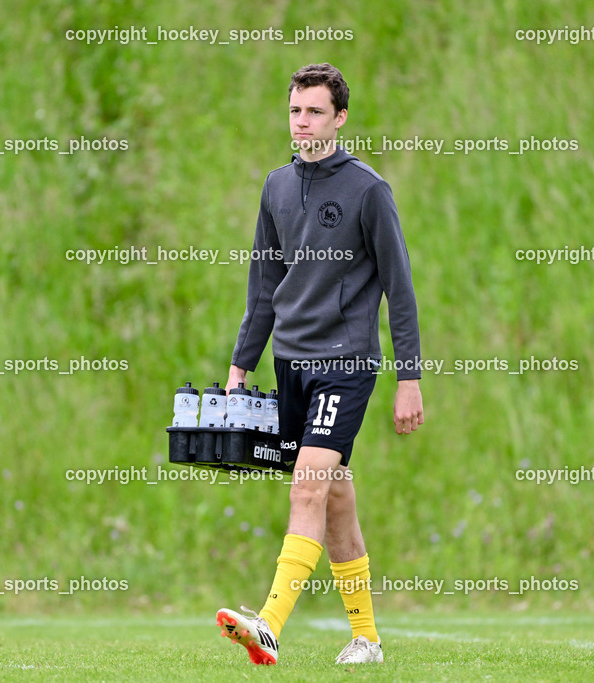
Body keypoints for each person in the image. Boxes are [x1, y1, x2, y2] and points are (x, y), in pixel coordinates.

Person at [216, 63, 424, 666]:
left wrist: (408, 376)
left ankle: (270, 625)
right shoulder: (276, 187)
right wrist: (240, 367)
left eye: (314, 112)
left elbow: (400, 288)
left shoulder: (368, 190)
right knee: (334, 496)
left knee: (307, 485)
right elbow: (263, 286)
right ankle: (367, 638)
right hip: (291, 365)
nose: (302, 122)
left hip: (347, 363)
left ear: (340, 118)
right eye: (294, 111)